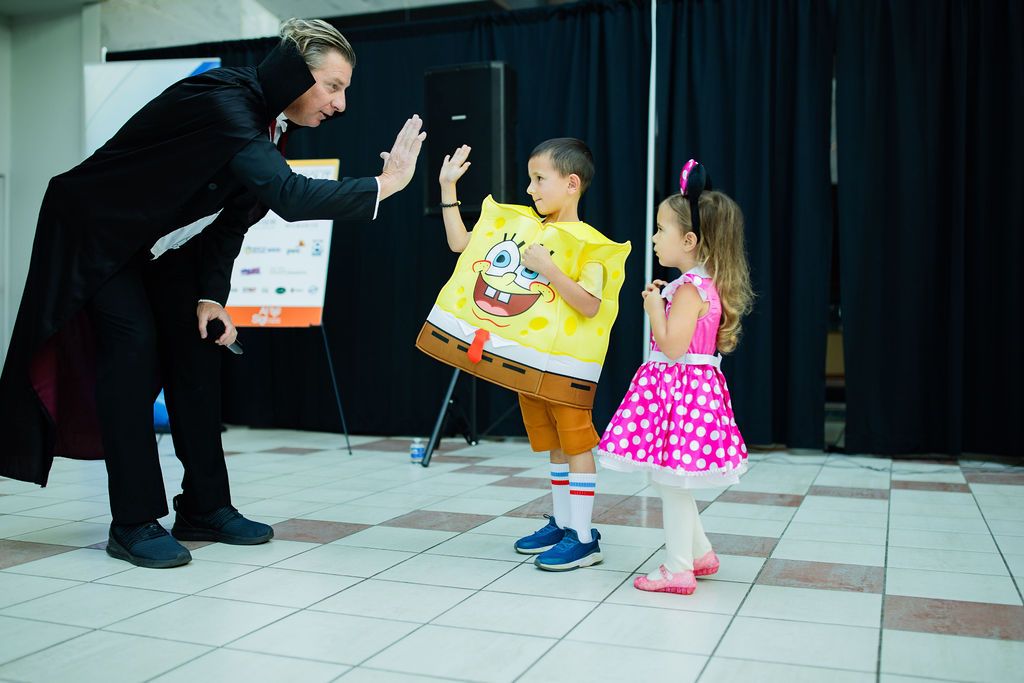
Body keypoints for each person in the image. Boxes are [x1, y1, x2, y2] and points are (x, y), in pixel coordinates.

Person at [0, 18, 426, 569]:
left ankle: (204, 507)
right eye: (332, 85)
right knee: (131, 349)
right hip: (95, 232)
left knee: (200, 347)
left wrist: (209, 296)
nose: (340, 104)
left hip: (152, 247)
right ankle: (133, 520)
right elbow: (291, 197)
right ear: (294, 73)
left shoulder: (270, 126)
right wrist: (384, 186)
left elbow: (232, 223)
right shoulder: (224, 101)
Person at [439, 138, 612, 571]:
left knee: (575, 440)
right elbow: (462, 245)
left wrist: (551, 269)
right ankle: (563, 522)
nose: (531, 188)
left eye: (540, 179)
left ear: (572, 184)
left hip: (567, 365)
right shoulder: (523, 230)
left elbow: (590, 304)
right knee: (553, 442)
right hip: (531, 361)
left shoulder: (591, 245)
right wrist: (447, 189)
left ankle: (584, 536)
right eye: (530, 179)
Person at [597, 159, 753, 594]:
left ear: (688, 240)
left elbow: (672, 347)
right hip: (686, 394)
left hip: (680, 394)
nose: (653, 237)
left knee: (672, 483)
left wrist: (651, 309)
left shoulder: (687, 289)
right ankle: (700, 553)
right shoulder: (701, 285)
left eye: (661, 230)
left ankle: (678, 567)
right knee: (673, 480)